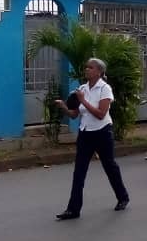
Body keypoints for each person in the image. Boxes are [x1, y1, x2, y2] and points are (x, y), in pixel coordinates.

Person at [54, 58, 130, 219]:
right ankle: (73, 209)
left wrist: (83, 100)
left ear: (99, 72)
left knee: (110, 166)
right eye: (86, 67)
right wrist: (64, 108)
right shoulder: (82, 88)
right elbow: (75, 115)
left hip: (102, 132)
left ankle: (122, 197)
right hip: (85, 133)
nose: (86, 69)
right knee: (79, 172)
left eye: (90, 67)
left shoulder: (105, 89)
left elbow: (101, 114)